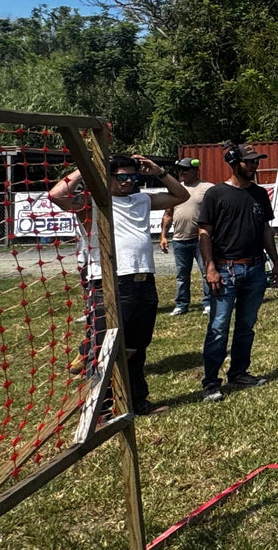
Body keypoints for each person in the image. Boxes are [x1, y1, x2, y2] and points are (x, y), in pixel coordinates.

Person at [50, 154, 189, 415]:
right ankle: (99, 410)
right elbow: (57, 195)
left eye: (133, 176)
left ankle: (136, 402)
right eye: (122, 176)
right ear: (108, 177)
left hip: (143, 280)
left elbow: (181, 196)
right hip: (108, 282)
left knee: (137, 347)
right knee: (104, 347)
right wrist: (88, 168)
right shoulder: (94, 202)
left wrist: (158, 171)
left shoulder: (141, 199)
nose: (128, 181)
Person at [198, 143, 278, 403]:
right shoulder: (216, 194)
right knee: (218, 327)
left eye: (256, 161)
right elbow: (204, 233)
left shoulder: (259, 194)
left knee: (246, 326)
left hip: (255, 268)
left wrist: (275, 261)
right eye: (249, 162)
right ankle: (211, 382)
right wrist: (210, 268)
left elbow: (265, 230)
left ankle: (239, 372)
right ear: (235, 164)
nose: (255, 166)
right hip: (226, 269)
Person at [160, 157, 214, 316]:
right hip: (179, 240)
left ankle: (209, 302)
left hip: (201, 239)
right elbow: (168, 213)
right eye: (180, 170)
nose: (182, 173)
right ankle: (181, 304)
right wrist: (164, 235)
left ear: (196, 170)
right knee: (182, 275)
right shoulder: (175, 189)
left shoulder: (208, 188)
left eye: (185, 169)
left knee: (206, 271)